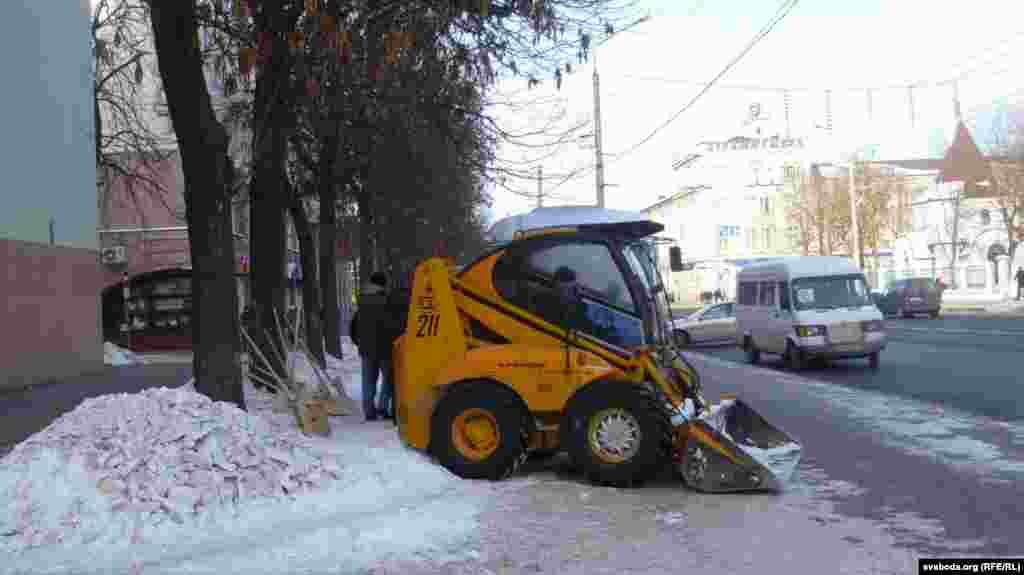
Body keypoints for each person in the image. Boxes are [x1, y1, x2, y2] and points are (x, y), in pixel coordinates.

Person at [350, 272, 397, 422]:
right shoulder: (389, 300)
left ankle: (369, 411)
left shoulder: (362, 301)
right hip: (385, 347)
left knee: (368, 380)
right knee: (388, 379)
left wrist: (359, 342)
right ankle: (383, 407)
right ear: (384, 284)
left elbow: (354, 325)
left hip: (366, 349)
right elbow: (393, 323)